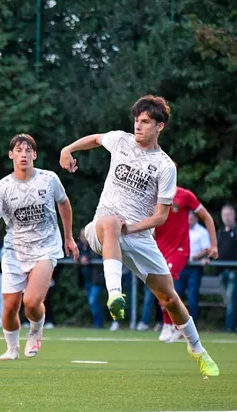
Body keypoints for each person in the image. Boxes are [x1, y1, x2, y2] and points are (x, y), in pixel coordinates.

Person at [59, 94, 219, 376]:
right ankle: (115, 295)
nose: (138, 126)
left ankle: (198, 349)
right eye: (136, 120)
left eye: (145, 121)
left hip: (139, 237)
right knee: (109, 222)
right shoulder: (121, 141)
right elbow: (97, 139)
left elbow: (160, 216)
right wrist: (67, 149)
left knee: (169, 298)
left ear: (160, 127)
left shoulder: (165, 166)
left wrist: (130, 228)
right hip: (102, 229)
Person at [0, 134, 79, 361]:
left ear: (34, 155)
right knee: (9, 306)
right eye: (18, 150)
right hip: (15, 251)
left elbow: (64, 204)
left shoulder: (49, 179)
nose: (23, 154)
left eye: (28, 150)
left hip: (46, 247)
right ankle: (12, 348)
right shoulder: (2, 187)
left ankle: (36, 330)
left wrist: (69, 237)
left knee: (32, 301)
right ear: (11, 155)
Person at [139, 183, 218, 341]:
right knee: (162, 289)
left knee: (166, 285)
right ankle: (177, 326)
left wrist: (214, 244)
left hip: (180, 250)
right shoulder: (152, 196)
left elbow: (206, 216)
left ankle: (169, 324)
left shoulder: (184, 195)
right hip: (159, 250)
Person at [79, 227, 104, 328]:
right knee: (92, 301)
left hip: (96, 280)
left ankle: (99, 324)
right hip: (86, 280)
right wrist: (80, 259)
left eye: (85, 236)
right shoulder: (79, 247)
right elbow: (74, 257)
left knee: (93, 300)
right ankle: (97, 323)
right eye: (81, 236)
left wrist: (87, 259)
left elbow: (97, 257)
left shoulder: (95, 246)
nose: (83, 238)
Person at [217, 203, 237, 332]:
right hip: (221, 270)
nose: (227, 218)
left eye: (229, 215)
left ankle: (229, 327)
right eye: (225, 215)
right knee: (227, 301)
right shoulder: (220, 232)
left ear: (234, 215)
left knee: (231, 299)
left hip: (233, 271)